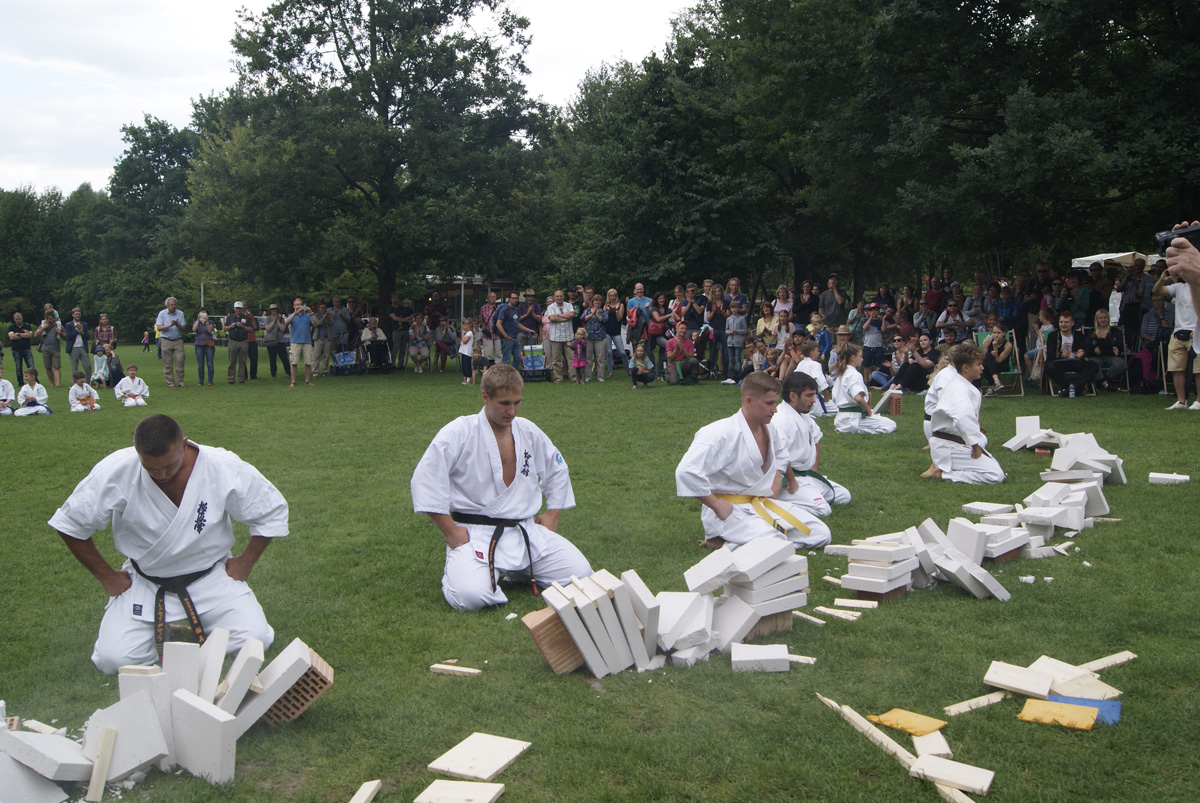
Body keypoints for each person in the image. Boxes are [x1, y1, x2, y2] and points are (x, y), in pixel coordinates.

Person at [49, 414, 287, 673]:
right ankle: (169, 628)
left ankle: (175, 628)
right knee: (112, 660)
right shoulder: (116, 471)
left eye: (169, 465)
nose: (160, 474)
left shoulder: (220, 466)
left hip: (210, 577)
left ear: (184, 444)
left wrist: (245, 562)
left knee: (255, 640)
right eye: (151, 468)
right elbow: (70, 524)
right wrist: (107, 577)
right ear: (137, 450)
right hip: (147, 582)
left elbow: (270, 510)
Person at [411, 364, 593, 610]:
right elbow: (426, 479)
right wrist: (450, 531)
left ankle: (515, 571)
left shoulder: (528, 430)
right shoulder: (460, 432)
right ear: (485, 397)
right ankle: (460, 573)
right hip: (477, 534)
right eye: (504, 403)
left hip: (525, 531)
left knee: (581, 574)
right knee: (472, 597)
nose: (512, 411)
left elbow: (557, 468)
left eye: (517, 403)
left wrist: (553, 514)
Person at [675, 371, 830, 550]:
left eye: (776, 402)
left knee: (820, 533)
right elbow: (686, 471)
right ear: (749, 401)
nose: (775, 409)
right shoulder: (719, 432)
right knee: (776, 543)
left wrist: (775, 484)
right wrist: (716, 505)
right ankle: (732, 540)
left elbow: (781, 457)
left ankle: (731, 543)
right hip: (730, 510)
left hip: (760, 504)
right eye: (769, 403)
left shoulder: (770, 429)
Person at [772, 372, 851, 517]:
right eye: (809, 396)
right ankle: (778, 501)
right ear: (793, 396)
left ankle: (807, 494)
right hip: (787, 480)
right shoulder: (780, 420)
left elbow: (816, 437)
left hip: (806, 475)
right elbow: (779, 455)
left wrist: (814, 470)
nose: (814, 400)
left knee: (844, 496)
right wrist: (791, 481)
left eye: (814, 395)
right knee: (823, 509)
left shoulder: (804, 416)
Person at [925, 343, 1005, 484]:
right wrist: (974, 445)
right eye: (978, 364)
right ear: (966, 368)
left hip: (956, 441)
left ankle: (947, 470)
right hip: (948, 445)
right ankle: (943, 475)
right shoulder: (957, 388)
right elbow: (963, 417)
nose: (982, 368)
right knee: (995, 475)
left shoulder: (963, 385)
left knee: (996, 469)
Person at [1154, 257, 1199, 410]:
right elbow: (1157, 292)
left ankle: (1199, 401)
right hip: (1178, 332)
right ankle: (1181, 401)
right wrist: (1162, 280)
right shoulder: (1179, 287)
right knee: (1176, 368)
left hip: (1196, 332)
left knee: (1199, 369)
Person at [831, 343, 896, 434]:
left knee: (878, 416)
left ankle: (845, 428)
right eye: (860, 356)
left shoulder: (841, 373)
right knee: (891, 424)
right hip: (853, 418)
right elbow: (858, 398)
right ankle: (849, 430)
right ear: (853, 358)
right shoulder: (854, 374)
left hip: (841, 417)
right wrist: (868, 410)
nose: (862, 359)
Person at [1043, 310, 1100, 397]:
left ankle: (1070, 390)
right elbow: (1050, 354)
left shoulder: (1078, 335)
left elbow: (1085, 349)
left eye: (1066, 322)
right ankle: (1075, 389)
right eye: (1061, 322)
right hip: (1060, 362)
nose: (1063, 324)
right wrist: (1062, 355)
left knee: (1094, 365)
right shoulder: (1053, 335)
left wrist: (1082, 353)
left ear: (1072, 323)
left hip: (1075, 361)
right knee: (1049, 366)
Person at [1086, 309, 1126, 392]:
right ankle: (1106, 385)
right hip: (1096, 357)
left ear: (1108, 318)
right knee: (1092, 363)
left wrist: (1117, 348)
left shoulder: (1115, 331)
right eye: (1100, 318)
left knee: (1121, 363)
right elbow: (1087, 346)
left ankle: (1102, 382)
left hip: (1111, 356)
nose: (1103, 320)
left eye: (1105, 317)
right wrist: (1094, 350)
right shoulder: (1092, 332)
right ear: (1097, 319)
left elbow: (1121, 345)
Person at [155, 297, 187, 388]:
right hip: (166, 340)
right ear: (167, 305)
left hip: (178, 340)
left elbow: (183, 328)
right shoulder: (162, 313)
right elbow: (159, 328)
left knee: (180, 360)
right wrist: (170, 325)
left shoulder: (180, 313)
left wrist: (177, 324)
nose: (173, 306)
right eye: (171, 305)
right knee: (167, 363)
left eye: (174, 304)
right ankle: (170, 383)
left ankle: (180, 382)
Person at [544, 290, 574, 383]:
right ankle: (558, 378)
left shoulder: (569, 305)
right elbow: (552, 318)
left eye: (561, 296)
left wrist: (558, 315)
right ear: (554, 297)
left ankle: (574, 377)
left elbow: (571, 314)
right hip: (555, 337)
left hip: (568, 336)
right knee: (556, 359)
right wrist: (565, 317)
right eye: (557, 296)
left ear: (563, 296)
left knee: (571, 358)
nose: (559, 298)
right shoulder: (550, 307)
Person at [980, 322, 1014, 396]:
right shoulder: (988, 341)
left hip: (1002, 366)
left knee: (988, 358)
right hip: (989, 365)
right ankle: (997, 381)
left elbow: (999, 360)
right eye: (994, 332)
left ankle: (991, 387)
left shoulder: (1008, 345)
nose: (996, 335)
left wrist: (995, 348)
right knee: (987, 359)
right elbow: (983, 357)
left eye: (998, 333)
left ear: (1004, 333)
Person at [497, 291, 527, 370]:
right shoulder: (504, 309)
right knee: (506, 359)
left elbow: (517, 323)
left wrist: (528, 330)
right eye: (513, 298)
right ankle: (503, 375)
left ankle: (511, 373)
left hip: (515, 338)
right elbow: (498, 324)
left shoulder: (516, 309)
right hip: (507, 339)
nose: (515, 300)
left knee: (518, 358)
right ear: (509, 299)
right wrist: (505, 336)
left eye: (516, 298)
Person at [582, 295, 608, 381]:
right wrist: (591, 314)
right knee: (588, 358)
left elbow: (604, 320)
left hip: (600, 337)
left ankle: (600, 376)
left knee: (600, 358)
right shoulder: (588, 310)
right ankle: (587, 376)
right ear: (592, 302)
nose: (597, 302)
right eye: (595, 301)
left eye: (599, 301)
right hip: (588, 337)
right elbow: (582, 318)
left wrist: (595, 314)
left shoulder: (603, 312)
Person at [35, 310, 64, 387]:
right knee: (48, 367)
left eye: (50, 318)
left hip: (55, 349)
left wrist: (60, 332)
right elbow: (35, 334)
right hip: (45, 349)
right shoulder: (43, 325)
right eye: (47, 319)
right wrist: (43, 328)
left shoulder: (58, 325)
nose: (49, 320)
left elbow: (66, 336)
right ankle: (52, 383)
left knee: (57, 366)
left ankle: (57, 383)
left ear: (54, 318)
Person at [602, 288, 625, 378]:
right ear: (608, 296)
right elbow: (604, 319)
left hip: (616, 331)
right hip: (607, 331)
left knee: (622, 352)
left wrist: (616, 310)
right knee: (608, 352)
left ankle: (628, 369)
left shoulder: (620, 305)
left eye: (614, 295)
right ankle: (610, 371)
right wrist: (607, 312)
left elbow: (619, 319)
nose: (612, 297)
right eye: (611, 295)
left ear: (616, 296)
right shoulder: (605, 306)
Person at [63, 307, 92, 379]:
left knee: (87, 366)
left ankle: (89, 381)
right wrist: (76, 330)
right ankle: (75, 382)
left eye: (79, 314)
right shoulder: (69, 325)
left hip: (82, 347)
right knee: (74, 367)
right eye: (76, 314)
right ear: (73, 315)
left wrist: (82, 332)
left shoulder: (84, 324)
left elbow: (87, 337)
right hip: (73, 347)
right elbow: (69, 337)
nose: (78, 316)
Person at [387, 294, 414, 370]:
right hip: (396, 330)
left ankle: (400, 364)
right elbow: (395, 318)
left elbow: (409, 316)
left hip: (405, 329)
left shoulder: (401, 308)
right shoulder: (390, 308)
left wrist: (407, 319)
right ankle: (392, 364)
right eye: (394, 297)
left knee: (403, 348)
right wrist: (405, 320)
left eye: (397, 298)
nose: (395, 299)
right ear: (391, 299)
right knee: (395, 347)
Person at [263, 304, 289, 378]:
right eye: (272, 310)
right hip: (271, 340)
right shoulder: (268, 319)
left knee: (284, 357)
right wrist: (273, 321)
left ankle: (288, 371)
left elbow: (283, 328)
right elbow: (268, 329)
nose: (273, 311)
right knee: (272, 358)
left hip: (280, 340)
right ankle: (273, 373)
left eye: (275, 310)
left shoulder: (281, 319)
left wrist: (277, 320)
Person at [192, 308, 217, 386]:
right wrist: (198, 320)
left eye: (204, 312)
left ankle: (210, 381)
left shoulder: (210, 322)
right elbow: (194, 329)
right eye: (201, 312)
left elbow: (209, 330)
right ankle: (201, 380)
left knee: (210, 363)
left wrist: (206, 321)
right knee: (200, 364)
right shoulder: (196, 322)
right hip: (199, 344)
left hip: (209, 344)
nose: (203, 313)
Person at [477, 291, 501, 367]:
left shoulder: (499, 308)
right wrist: (484, 328)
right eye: (491, 297)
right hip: (487, 334)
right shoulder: (483, 308)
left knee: (499, 353)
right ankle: (489, 368)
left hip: (497, 334)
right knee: (488, 353)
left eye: (494, 297)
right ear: (488, 298)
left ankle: (498, 368)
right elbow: (480, 320)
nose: (493, 298)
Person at [312, 301, 333, 377]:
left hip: (327, 337)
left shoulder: (328, 315)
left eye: (324, 308)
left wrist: (327, 317)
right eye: (321, 308)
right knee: (316, 356)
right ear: (318, 308)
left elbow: (332, 323)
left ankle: (324, 371)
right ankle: (315, 372)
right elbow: (316, 324)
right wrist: (323, 318)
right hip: (318, 338)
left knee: (326, 356)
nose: (323, 309)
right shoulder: (315, 315)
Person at [459, 318, 476, 385]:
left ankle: (468, 379)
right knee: (463, 366)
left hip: (467, 352)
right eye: (463, 325)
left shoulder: (469, 333)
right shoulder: (466, 333)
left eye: (465, 325)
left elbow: (465, 341)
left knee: (467, 366)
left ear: (469, 325)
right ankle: (465, 379)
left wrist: (462, 335)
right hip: (464, 352)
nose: (464, 327)